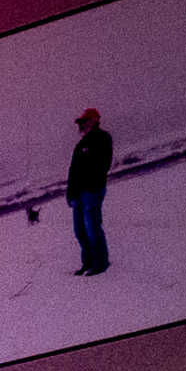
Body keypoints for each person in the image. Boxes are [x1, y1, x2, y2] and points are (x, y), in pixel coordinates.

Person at [66, 104, 116, 276]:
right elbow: (73, 170)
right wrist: (70, 193)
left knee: (92, 227)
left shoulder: (102, 138)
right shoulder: (80, 145)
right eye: (81, 122)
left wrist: (90, 185)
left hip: (92, 191)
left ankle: (101, 262)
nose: (82, 125)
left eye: (85, 121)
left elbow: (103, 164)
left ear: (94, 121)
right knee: (79, 230)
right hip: (78, 194)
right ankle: (87, 263)